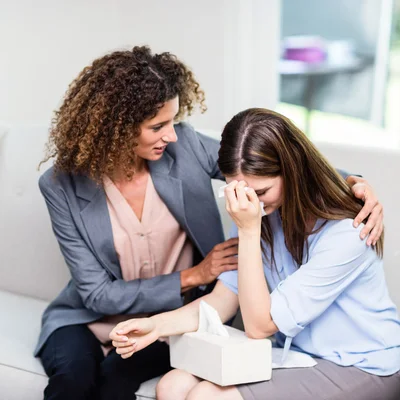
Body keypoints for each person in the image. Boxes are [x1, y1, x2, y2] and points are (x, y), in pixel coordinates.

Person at [36, 46, 384, 400]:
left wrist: (352, 183)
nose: (171, 135)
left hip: (349, 357)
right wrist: (177, 299)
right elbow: (101, 293)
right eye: (157, 126)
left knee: (135, 384)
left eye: (172, 122)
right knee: (96, 382)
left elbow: (282, 166)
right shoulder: (61, 184)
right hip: (97, 315)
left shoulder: (261, 205)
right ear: (117, 130)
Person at [109, 108, 400, 400]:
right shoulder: (260, 214)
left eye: (261, 193)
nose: (252, 204)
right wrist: (154, 326)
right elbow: (221, 301)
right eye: (240, 192)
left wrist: (249, 230)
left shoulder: (347, 233)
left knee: (208, 397)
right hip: (296, 355)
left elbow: (260, 327)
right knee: (172, 386)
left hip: (363, 363)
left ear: (292, 172)